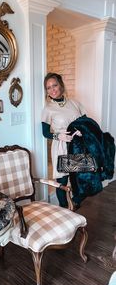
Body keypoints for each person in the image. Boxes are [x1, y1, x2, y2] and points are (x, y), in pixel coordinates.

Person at [41, 72, 86, 208]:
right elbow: (45, 133)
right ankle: (63, 208)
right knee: (62, 180)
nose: (52, 90)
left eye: (54, 85)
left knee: (78, 178)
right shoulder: (48, 109)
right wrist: (58, 136)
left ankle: (76, 203)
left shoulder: (74, 103)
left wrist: (82, 130)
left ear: (61, 86)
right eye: (48, 87)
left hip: (77, 145)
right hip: (61, 147)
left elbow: (86, 122)